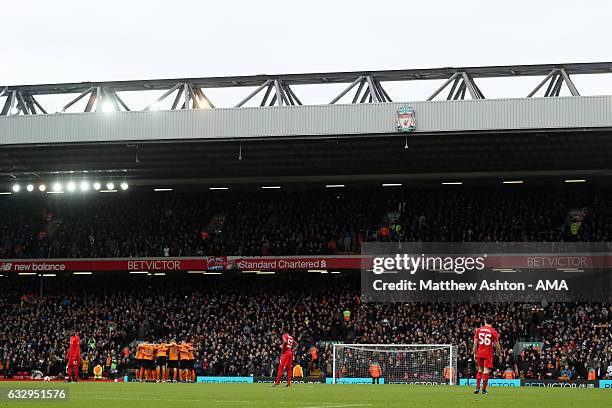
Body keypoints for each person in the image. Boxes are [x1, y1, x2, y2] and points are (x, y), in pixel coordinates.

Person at [472, 317, 501, 395]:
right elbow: (497, 344)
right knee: (486, 371)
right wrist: (499, 353)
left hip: (479, 353)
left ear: (484, 321)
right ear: (492, 323)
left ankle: (477, 387)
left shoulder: (478, 330)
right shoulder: (493, 331)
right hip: (488, 353)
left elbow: (475, 343)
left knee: (480, 370)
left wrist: (474, 353)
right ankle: (484, 390)